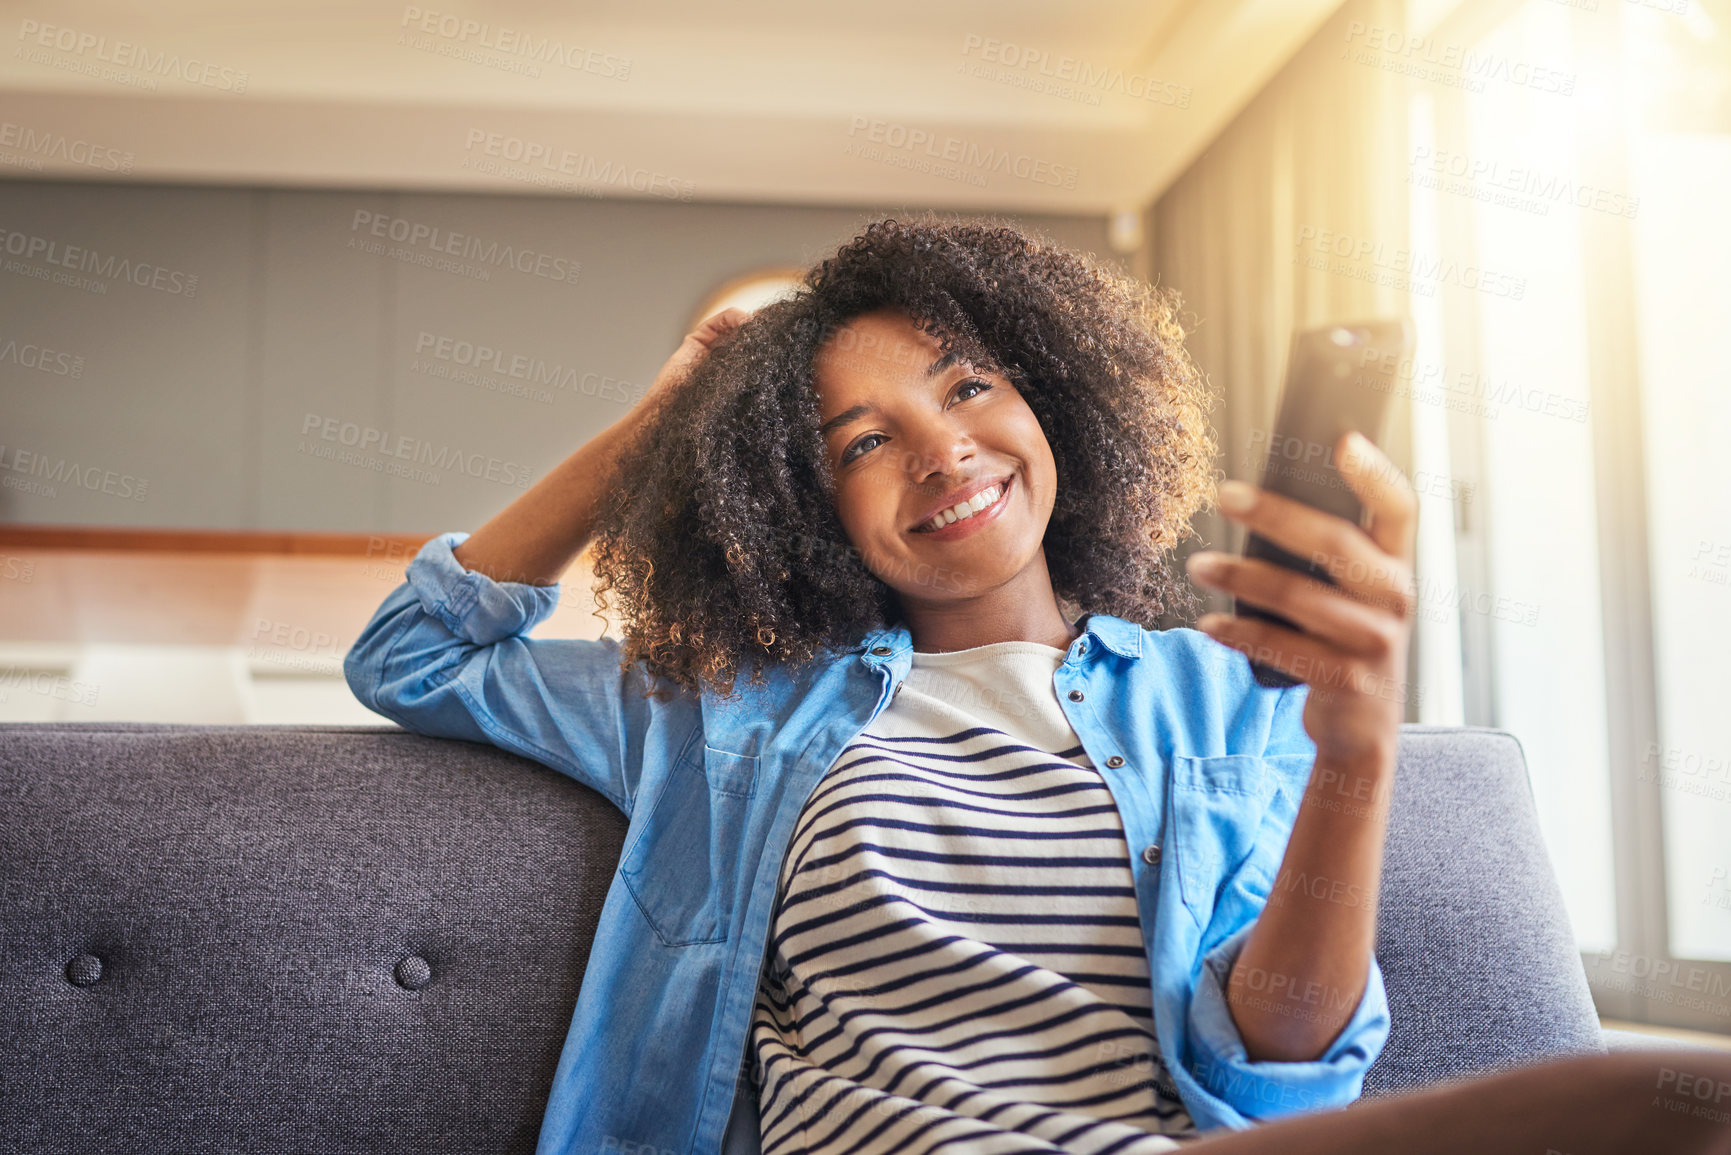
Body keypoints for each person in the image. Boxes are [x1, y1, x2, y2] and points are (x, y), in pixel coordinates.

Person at [344, 214, 1731, 1155]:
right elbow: (413, 653)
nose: (946, 454)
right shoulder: (723, 708)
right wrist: (681, 402)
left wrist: (1358, 745)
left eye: (966, 388)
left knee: (1687, 1103)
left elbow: (1282, 1055)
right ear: (794, 502)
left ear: (1050, 396)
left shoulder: (1228, 691)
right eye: (861, 442)